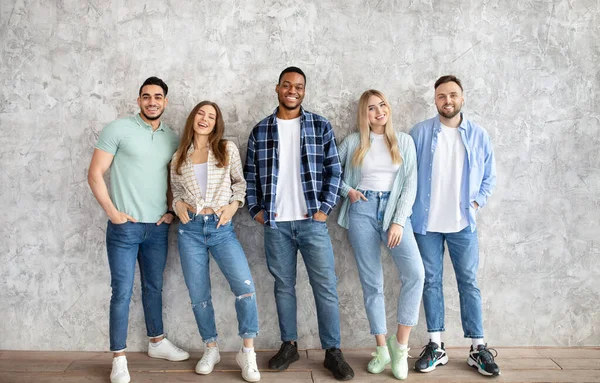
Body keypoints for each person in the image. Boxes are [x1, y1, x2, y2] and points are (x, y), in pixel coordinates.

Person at [244, 66, 354, 381]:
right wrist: (256, 211)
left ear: (304, 91)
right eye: (288, 85)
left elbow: (335, 170)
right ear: (278, 88)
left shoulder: (320, 126)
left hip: (312, 222)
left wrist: (324, 210)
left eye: (299, 86)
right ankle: (289, 345)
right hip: (276, 225)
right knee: (283, 286)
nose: (293, 90)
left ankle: (333, 352)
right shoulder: (261, 130)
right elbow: (252, 177)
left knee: (326, 287)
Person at [87, 76, 189, 383]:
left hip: (157, 228)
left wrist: (171, 211)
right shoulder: (117, 129)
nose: (152, 101)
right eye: (146, 96)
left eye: (158, 97)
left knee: (154, 287)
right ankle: (119, 358)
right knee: (121, 292)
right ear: (138, 100)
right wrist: (113, 214)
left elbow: (173, 180)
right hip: (125, 228)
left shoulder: (173, 138)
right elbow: (94, 174)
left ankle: (156, 341)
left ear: (165, 101)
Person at [410, 75, 500, 376]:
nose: (447, 100)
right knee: (430, 281)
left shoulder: (479, 135)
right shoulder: (420, 133)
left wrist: (475, 203)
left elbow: (490, 177)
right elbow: (407, 175)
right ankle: (436, 345)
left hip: (463, 223)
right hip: (426, 224)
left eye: (453, 95)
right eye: (441, 96)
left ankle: (477, 347)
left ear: (462, 97)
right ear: (435, 100)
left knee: (468, 283)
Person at [337, 89, 424, 380]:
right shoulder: (352, 142)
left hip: (394, 214)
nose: (379, 112)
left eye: (382, 105)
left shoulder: (405, 142)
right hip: (361, 211)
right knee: (372, 283)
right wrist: (348, 191)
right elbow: (330, 173)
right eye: (372, 108)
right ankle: (381, 349)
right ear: (365, 114)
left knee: (415, 274)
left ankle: (400, 347)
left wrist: (399, 221)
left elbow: (410, 184)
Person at [170, 100, 260, 382]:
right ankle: (211, 347)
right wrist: (177, 204)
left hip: (221, 228)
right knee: (199, 295)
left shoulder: (226, 149)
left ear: (216, 122)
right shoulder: (178, 157)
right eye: (200, 113)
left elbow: (240, 183)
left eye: (211, 116)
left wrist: (233, 207)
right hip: (190, 231)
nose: (205, 119)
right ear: (193, 118)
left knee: (245, 288)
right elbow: (175, 192)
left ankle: (247, 352)